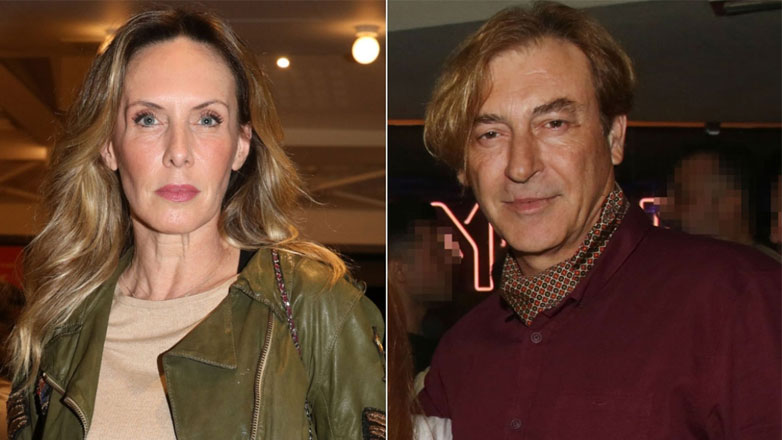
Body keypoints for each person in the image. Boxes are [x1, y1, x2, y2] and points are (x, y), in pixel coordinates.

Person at [6, 8, 385, 440]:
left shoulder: (315, 307)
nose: (179, 152)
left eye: (207, 120)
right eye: (148, 119)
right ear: (109, 145)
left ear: (241, 145)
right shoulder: (58, 326)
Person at [417, 2, 781, 439]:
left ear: (614, 138)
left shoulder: (738, 298)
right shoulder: (460, 353)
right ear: (464, 166)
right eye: (490, 134)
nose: (521, 165)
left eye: (554, 123)